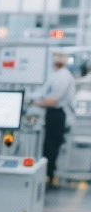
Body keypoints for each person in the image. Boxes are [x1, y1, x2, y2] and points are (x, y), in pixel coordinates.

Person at [34, 52, 76, 186]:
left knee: (51, 147)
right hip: (52, 113)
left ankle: (48, 177)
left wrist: (35, 102)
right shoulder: (57, 75)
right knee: (48, 146)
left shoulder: (63, 76)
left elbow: (53, 100)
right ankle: (47, 174)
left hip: (57, 114)